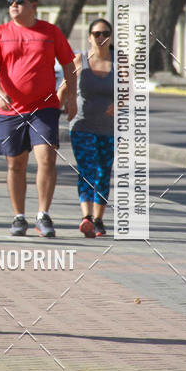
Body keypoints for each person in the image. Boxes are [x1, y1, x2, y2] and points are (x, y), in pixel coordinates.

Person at [0, 0, 76, 238]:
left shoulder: (50, 32)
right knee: (16, 164)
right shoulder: (0, 33)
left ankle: (43, 215)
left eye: (19, 1)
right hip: (9, 110)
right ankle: (19, 217)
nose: (13, 5)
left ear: (34, 5)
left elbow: (69, 64)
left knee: (46, 159)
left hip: (44, 108)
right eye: (10, 1)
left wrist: (71, 97)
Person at [58, 18, 115, 237]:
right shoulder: (79, 60)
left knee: (103, 172)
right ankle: (87, 217)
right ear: (90, 36)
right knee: (87, 170)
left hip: (109, 129)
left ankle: (99, 220)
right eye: (97, 33)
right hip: (81, 125)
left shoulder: (119, 62)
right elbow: (64, 88)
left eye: (105, 33)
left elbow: (130, 92)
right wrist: (53, 111)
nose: (101, 37)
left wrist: (118, 105)